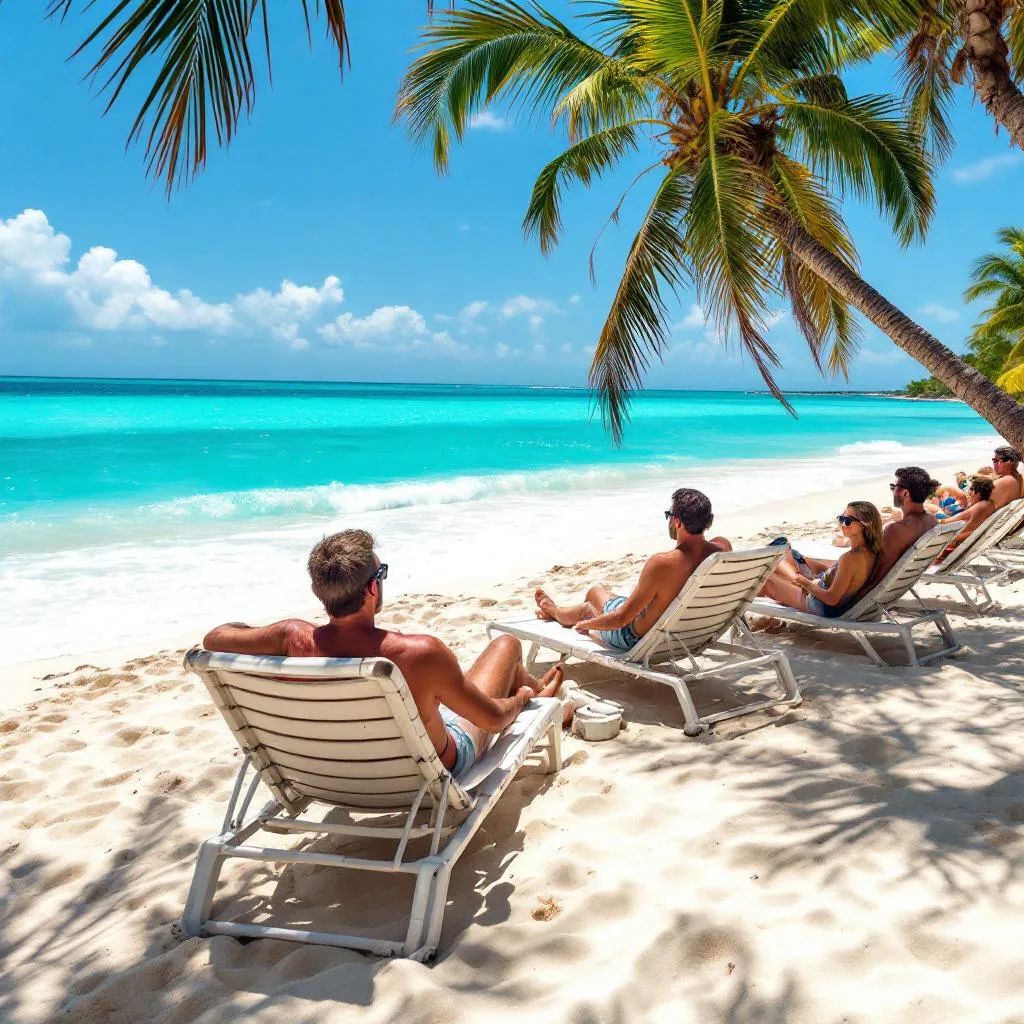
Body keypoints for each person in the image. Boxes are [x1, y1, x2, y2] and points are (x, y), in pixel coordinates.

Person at [202, 530, 565, 778]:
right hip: (431, 768)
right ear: (374, 586)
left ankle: (531, 685)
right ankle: (534, 692)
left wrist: (273, 632)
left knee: (448, 691)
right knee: (506, 646)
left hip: (337, 772)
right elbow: (494, 721)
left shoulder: (292, 638)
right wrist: (520, 700)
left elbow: (215, 637)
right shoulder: (417, 653)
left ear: (318, 591)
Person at [533, 488, 731, 650]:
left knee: (593, 597)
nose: (669, 520)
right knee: (607, 598)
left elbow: (621, 619)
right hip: (693, 631)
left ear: (677, 521)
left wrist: (586, 624)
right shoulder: (722, 549)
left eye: (669, 516)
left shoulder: (663, 563)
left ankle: (557, 612)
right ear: (709, 522)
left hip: (638, 637)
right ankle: (558, 612)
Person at [758, 502, 884, 617]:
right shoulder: (870, 552)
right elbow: (842, 577)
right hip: (820, 587)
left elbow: (832, 599)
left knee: (766, 575)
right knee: (786, 550)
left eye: (847, 521)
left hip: (819, 603)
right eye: (841, 518)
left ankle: (753, 612)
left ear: (864, 525)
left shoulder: (851, 558)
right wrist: (808, 564)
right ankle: (790, 575)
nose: (842, 524)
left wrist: (804, 582)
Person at [934, 475, 996, 562]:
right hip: (965, 539)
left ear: (977, 493)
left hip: (954, 544)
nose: (969, 492)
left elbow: (948, 523)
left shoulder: (979, 507)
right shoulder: (989, 504)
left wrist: (936, 520)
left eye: (971, 489)